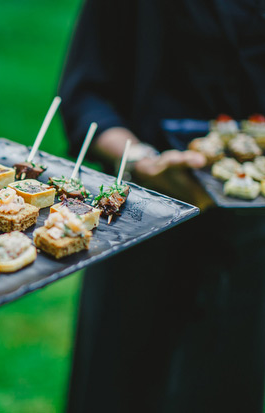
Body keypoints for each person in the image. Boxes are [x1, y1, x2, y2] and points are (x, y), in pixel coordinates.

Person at [59, 1, 265, 412]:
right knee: (115, 387)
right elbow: (86, 97)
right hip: (142, 219)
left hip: (256, 251)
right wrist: (139, 160)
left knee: (226, 385)